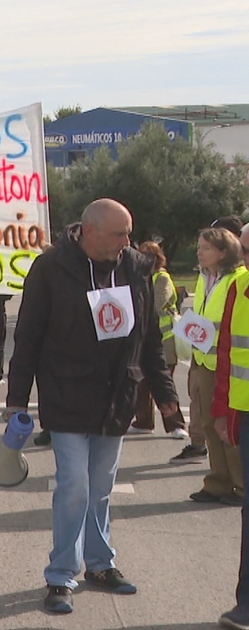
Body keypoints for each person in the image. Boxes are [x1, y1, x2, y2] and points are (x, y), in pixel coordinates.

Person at [5, 199, 179, 614]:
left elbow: (149, 337)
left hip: (116, 395)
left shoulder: (136, 267)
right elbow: (27, 338)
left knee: (100, 488)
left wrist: (167, 395)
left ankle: (100, 564)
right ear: (89, 230)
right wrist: (16, 400)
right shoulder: (50, 269)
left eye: (128, 233)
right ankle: (61, 574)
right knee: (74, 486)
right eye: (119, 234)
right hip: (66, 395)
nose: (127, 241)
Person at [181, 227, 246, 507]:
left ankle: (241, 485)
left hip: (227, 363)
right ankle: (218, 481)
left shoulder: (238, 279)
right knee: (209, 423)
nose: (199, 252)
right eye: (199, 246)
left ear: (223, 251)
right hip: (203, 359)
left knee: (229, 427)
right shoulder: (204, 277)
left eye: (206, 247)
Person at [211, 248, 249, 629]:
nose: (245, 258)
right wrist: (221, 410)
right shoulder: (239, 286)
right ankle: (247, 605)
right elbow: (227, 352)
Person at [131, 241, 188, 439]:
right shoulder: (141, 277)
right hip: (145, 338)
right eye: (142, 254)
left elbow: (156, 304)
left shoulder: (161, 277)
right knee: (141, 383)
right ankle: (143, 421)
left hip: (165, 341)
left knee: (163, 384)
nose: (145, 258)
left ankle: (176, 425)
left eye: (150, 255)